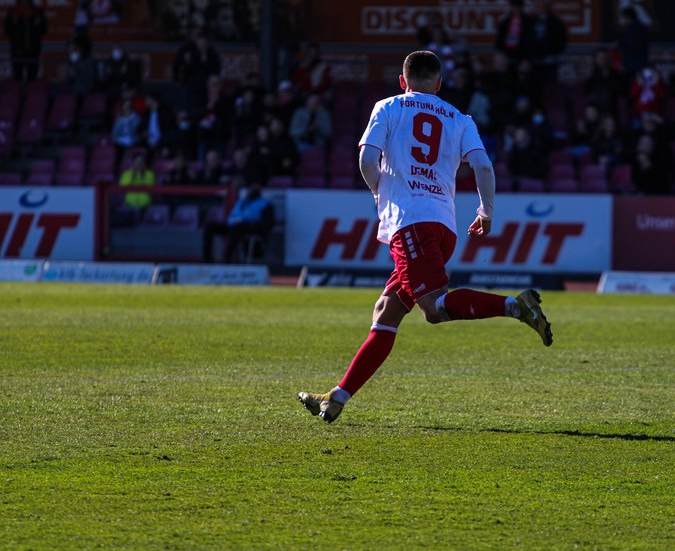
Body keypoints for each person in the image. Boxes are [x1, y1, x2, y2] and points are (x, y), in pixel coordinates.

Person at [298, 50, 552, 424]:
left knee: (434, 309)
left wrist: (379, 192)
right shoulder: (460, 118)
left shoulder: (388, 107)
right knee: (385, 313)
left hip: (410, 223)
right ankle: (337, 398)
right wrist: (485, 212)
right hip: (444, 228)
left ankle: (516, 305)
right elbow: (482, 165)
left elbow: (367, 160)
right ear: (439, 84)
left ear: (403, 81)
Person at [202, 182, 274, 263]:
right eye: (250, 189)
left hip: (248, 227)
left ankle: (227, 258)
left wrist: (253, 225)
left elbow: (269, 222)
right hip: (231, 225)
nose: (251, 192)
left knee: (238, 228)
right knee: (210, 226)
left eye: (254, 189)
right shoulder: (241, 202)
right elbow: (233, 215)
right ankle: (207, 258)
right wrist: (232, 221)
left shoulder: (265, 204)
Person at [4, 0, 48, 82]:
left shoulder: (38, 12)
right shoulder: (13, 12)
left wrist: (38, 24)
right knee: (17, 77)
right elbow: (7, 30)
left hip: (33, 50)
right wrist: (13, 23)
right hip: (17, 50)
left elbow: (44, 30)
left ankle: (32, 91)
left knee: (32, 77)